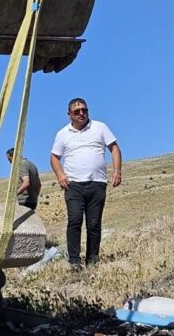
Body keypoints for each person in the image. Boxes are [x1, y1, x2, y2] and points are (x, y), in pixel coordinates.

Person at [50, 98, 122, 268]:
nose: (81, 113)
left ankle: (92, 260)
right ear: (69, 115)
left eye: (84, 110)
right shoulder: (62, 134)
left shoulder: (100, 127)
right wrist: (60, 175)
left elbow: (114, 148)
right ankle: (74, 260)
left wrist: (117, 171)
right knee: (74, 221)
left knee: (94, 223)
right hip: (73, 185)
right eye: (77, 111)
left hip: (97, 183)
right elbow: (54, 157)